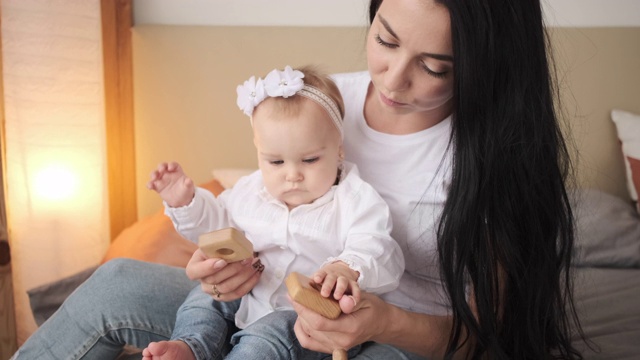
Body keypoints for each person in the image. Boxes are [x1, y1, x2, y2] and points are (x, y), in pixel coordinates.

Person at [12, 0, 585, 359]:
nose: (394, 78)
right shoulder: (321, 102)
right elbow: (242, 207)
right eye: (385, 40)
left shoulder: (499, 159)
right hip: (268, 299)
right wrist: (210, 267)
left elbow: (489, 337)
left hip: (398, 339)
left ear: (488, 65)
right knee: (115, 281)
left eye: (434, 67)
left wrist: (383, 321)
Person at [141, 65, 404, 360]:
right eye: (276, 162)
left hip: (311, 320)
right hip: (249, 297)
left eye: (310, 159)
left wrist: (346, 268)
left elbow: (377, 246)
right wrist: (186, 201)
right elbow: (216, 227)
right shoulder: (250, 191)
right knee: (204, 300)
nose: (292, 175)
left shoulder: (354, 199)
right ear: (259, 152)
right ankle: (190, 345)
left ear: (339, 149)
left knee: (267, 338)